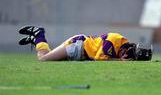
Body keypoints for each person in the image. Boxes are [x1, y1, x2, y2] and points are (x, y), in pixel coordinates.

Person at [18, 25, 152, 61]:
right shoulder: (114, 40)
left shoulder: (123, 45)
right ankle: (39, 34)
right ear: (124, 51)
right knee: (43, 58)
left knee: (47, 56)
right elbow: (99, 59)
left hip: (81, 51)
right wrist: (120, 61)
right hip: (78, 45)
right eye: (124, 55)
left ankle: (35, 39)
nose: (123, 57)